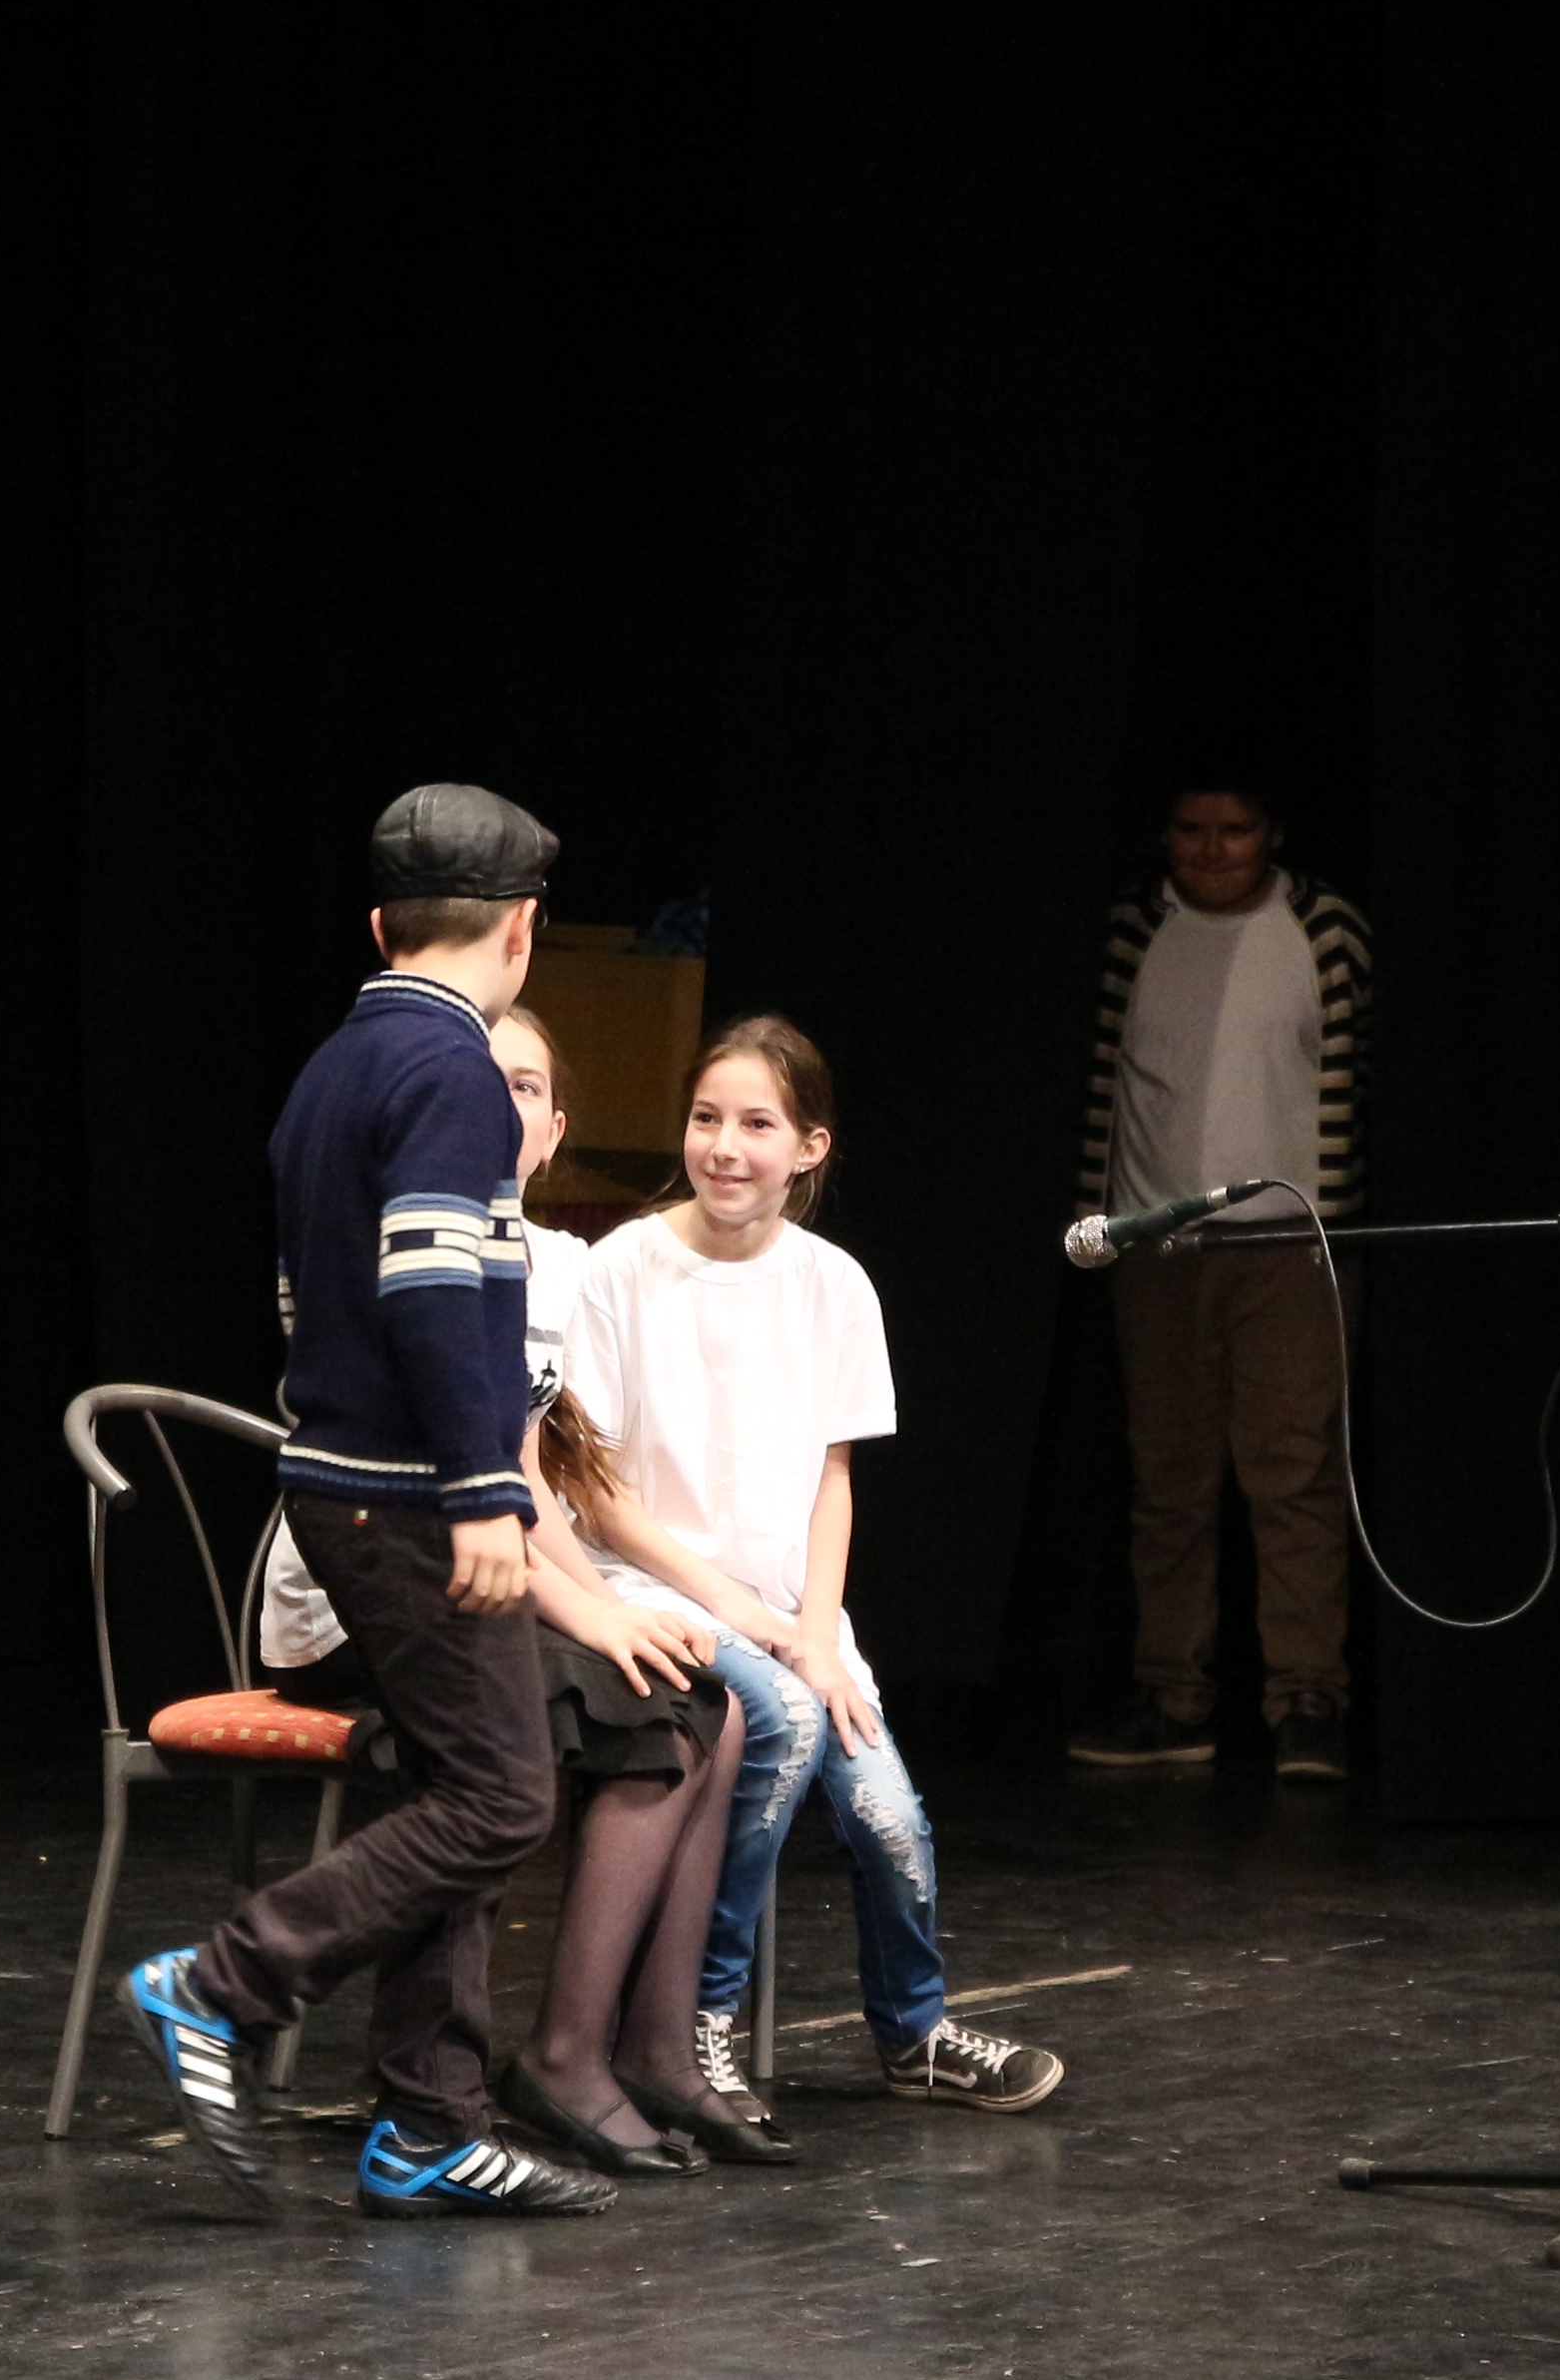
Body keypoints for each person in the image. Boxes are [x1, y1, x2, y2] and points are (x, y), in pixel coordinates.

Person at [119, 783, 614, 2222]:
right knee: (503, 1795)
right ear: (521, 929)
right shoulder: (451, 1073)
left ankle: (427, 2123)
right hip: (404, 1495)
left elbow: (316, 1294)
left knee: (464, 1783)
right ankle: (220, 1982)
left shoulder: (337, 1065)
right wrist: (482, 1493)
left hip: (349, 1480)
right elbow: (433, 1293)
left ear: (382, 923)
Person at [259, 1007, 789, 2173]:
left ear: (553, 1131)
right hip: (374, 1586)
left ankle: (651, 2050)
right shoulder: (430, 1239)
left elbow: (527, 1481)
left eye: (528, 1089)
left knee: (713, 1708)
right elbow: (453, 1490)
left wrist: (608, 1610)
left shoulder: (556, 1265)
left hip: (484, 1570)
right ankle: (547, 2060)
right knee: (626, 1718)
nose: (502, 1106)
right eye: (485, 1079)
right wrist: (590, 1614)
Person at [570, 1013, 1074, 2116]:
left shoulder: (834, 1284)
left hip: (793, 1615)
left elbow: (831, 1479)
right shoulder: (620, 1270)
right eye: (707, 1118)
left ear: (810, 1148)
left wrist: (816, 1633)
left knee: (888, 1813)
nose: (725, 1147)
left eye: (757, 1124)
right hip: (663, 1598)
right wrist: (745, 1616)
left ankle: (915, 2033)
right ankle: (693, 2026)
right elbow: (596, 1494)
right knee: (784, 1730)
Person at [1070, 781, 1375, 1783]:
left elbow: (1356, 1079)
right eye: (1192, 830)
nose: (1211, 849)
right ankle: (1171, 1695)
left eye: (1234, 830)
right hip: (1160, 1245)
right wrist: (1099, 1223)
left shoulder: (1326, 930)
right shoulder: (1133, 929)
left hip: (1290, 1244)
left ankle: (1308, 1702)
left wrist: (1337, 1225)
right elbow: (1107, 1077)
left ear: (1271, 833)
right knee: (1169, 1482)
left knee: (1294, 1478)